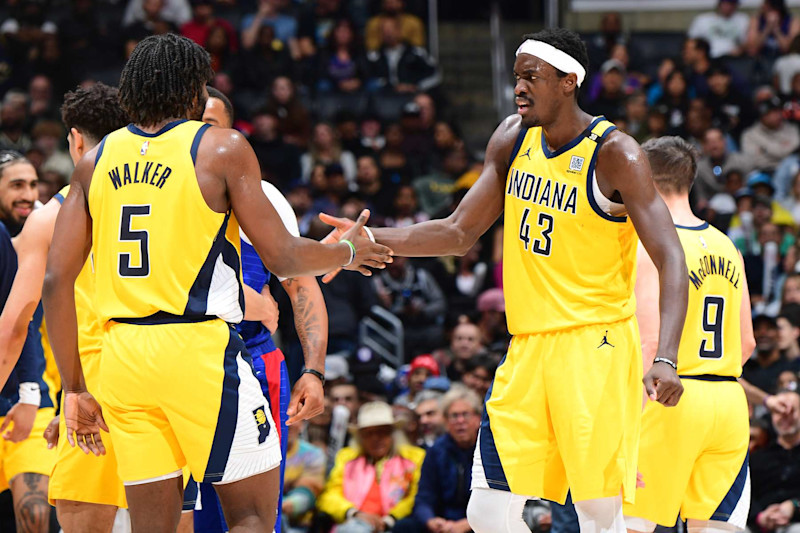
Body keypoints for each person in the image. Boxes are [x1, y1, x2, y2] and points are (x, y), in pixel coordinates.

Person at [321, 27, 688, 533]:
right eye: (516, 77)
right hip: (526, 348)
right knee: (488, 510)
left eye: (531, 77)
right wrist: (369, 237)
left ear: (568, 81)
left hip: (594, 347)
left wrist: (666, 356)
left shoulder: (616, 153)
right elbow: (456, 232)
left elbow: (671, 256)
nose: (519, 88)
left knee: (598, 515)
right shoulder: (513, 137)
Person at [41, 34, 391, 532]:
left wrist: (74, 388)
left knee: (154, 526)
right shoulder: (220, 148)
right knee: (250, 514)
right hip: (195, 348)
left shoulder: (94, 161)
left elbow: (57, 283)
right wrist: (349, 251)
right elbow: (285, 258)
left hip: (121, 359)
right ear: (191, 88)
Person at [194, 85, 331, 533]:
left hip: (250, 362)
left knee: (254, 516)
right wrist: (241, 298)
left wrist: (313, 369)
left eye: (209, 126)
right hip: (178, 358)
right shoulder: (158, 193)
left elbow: (302, 288)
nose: (199, 137)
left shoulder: (263, 196)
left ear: (233, 136)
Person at [621, 136, 754, 531]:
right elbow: (747, 342)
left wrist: (627, 425)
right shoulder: (727, 245)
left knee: (630, 526)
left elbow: (649, 338)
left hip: (667, 397)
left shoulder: (649, 243)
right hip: (728, 402)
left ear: (642, 178)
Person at [0, 152, 56, 533]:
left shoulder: (48, 233)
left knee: (35, 516)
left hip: (29, 396)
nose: (28, 194)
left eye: (33, 185)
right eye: (16, 185)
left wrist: (30, 391)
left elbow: (26, 322)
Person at [316, 401, 425, 531]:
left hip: (395, 525)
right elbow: (329, 496)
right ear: (360, 437)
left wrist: (390, 519)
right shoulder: (347, 458)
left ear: (393, 433)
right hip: (353, 524)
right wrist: (353, 513)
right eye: (368, 433)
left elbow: (417, 495)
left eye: (382, 432)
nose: (375, 438)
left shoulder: (414, 458)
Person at [394, 385, 481, 533]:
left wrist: (468, 524)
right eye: (454, 416)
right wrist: (431, 520)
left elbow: (495, 502)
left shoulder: (489, 450)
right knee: (404, 527)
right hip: (443, 523)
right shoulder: (436, 451)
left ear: (478, 418)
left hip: (476, 522)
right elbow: (424, 497)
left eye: (465, 414)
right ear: (446, 421)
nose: (460, 421)